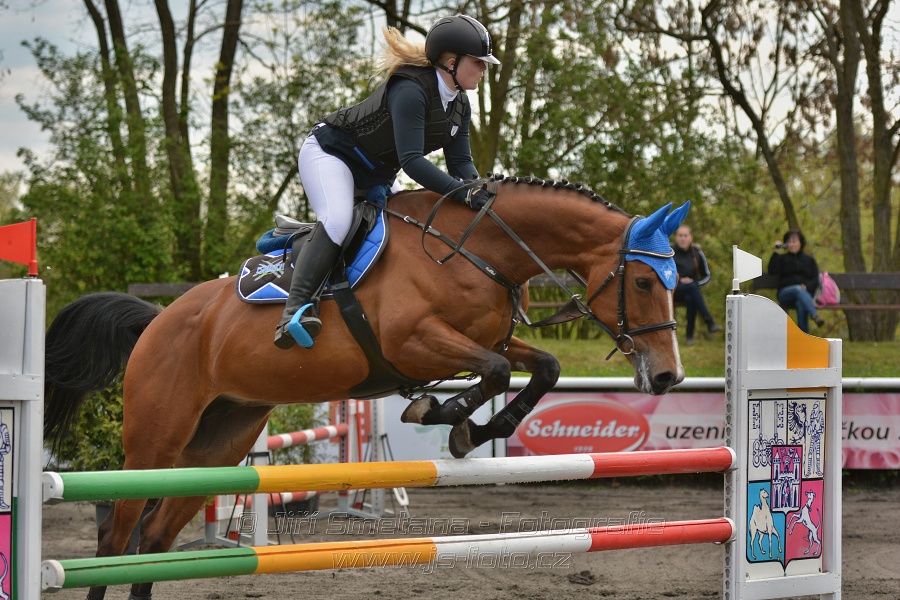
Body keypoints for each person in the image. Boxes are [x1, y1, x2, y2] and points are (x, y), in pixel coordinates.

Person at [274, 15, 500, 349]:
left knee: (405, 226)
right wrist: (461, 194)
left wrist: (479, 191)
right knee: (338, 219)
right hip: (332, 155)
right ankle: (294, 312)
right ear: (452, 63)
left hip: (376, 173)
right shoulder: (411, 90)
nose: (484, 70)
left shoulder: (459, 105)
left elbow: (460, 164)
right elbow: (411, 162)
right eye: (478, 63)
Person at [671, 225, 722, 345]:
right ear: (676, 238)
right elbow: (664, 272)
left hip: (691, 290)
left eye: (685, 236)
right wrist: (678, 280)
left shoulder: (697, 253)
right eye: (680, 235)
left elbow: (707, 276)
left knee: (691, 298)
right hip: (673, 290)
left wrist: (695, 283)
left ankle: (689, 337)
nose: (683, 238)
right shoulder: (670, 252)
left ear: (691, 238)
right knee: (692, 288)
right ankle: (709, 321)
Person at [767, 230, 825, 333]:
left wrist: (807, 287)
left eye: (794, 241)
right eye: (789, 242)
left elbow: (815, 279)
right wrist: (776, 252)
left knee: (800, 303)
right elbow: (772, 271)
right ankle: (815, 315)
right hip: (785, 294)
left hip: (804, 295)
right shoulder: (782, 259)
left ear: (800, 243)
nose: (792, 244)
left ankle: (804, 337)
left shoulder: (809, 260)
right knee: (798, 289)